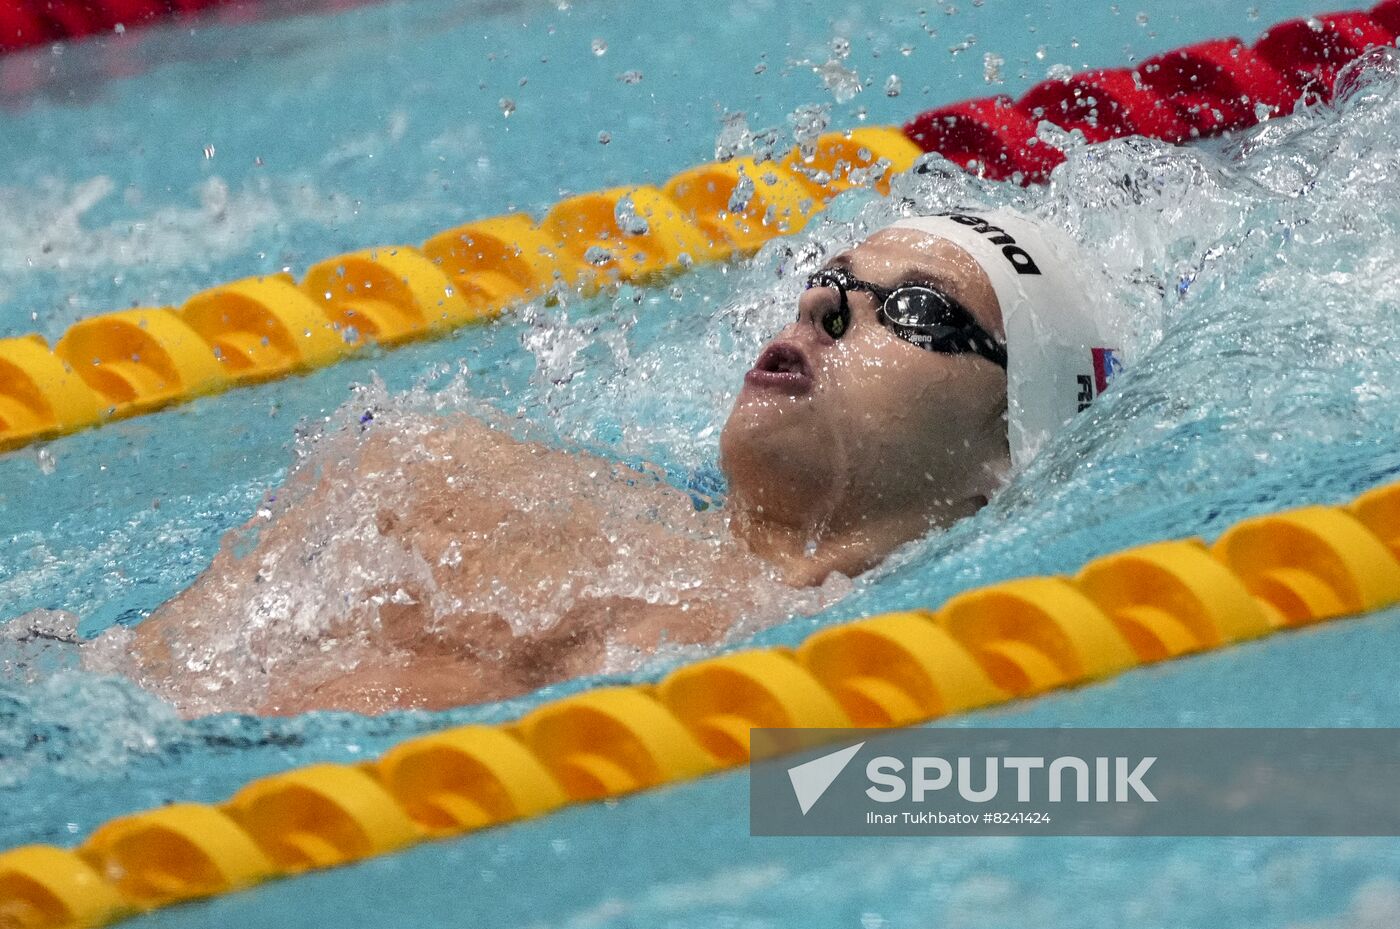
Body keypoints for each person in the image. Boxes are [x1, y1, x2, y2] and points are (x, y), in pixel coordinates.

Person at [91, 207, 1123, 717]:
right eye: (826, 282)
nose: (823, 308)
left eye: (910, 310)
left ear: (1008, 446)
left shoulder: (807, 678)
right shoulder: (482, 475)